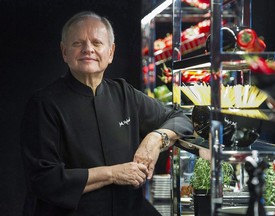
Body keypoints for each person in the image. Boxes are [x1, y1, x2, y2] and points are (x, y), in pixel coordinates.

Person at [20, 11, 194, 216]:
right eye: (77, 43)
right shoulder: (44, 104)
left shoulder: (124, 93)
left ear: (110, 52)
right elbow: (45, 180)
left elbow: (181, 118)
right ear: (64, 51)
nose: (88, 49)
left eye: (96, 43)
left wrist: (155, 139)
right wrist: (113, 174)